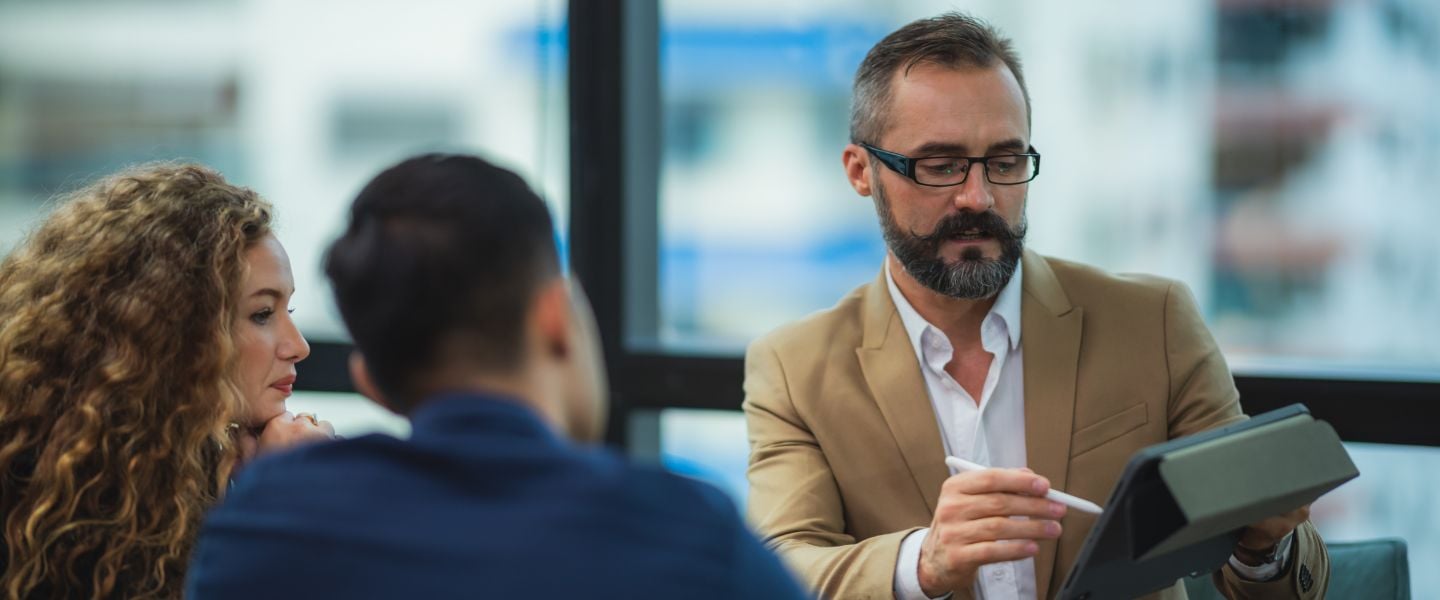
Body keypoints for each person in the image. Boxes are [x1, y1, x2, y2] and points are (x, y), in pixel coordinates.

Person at [743, 13, 1329, 600]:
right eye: (940, 165)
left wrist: (1264, 548)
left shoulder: (1154, 323)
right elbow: (776, 569)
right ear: (860, 172)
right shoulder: (795, 369)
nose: (978, 197)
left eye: (1005, 162)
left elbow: (1278, 579)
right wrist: (922, 563)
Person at [185, 154, 808, 600]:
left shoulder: (263, 526)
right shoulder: (688, 535)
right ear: (557, 318)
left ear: (369, 378)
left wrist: (288, 488)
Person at [0, 163, 334, 599]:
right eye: (262, 314)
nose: (298, 346)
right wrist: (284, 504)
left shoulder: (169, 475)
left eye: (287, 312)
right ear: (171, 333)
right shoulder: (86, 512)